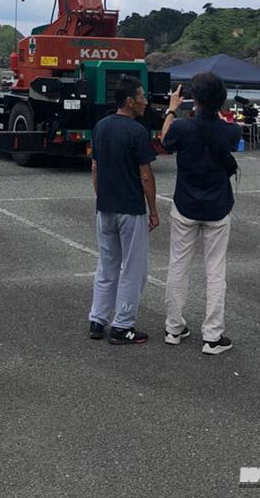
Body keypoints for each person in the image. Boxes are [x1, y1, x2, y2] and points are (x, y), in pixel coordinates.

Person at [161, 72, 242, 355]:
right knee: (215, 270)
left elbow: (165, 139)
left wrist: (172, 109)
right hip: (218, 206)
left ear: (194, 99)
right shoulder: (231, 131)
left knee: (178, 265)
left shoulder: (182, 128)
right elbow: (225, 133)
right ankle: (213, 335)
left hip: (185, 203)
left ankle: (173, 328)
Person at [88, 76, 159, 345]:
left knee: (106, 265)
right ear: (130, 101)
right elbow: (146, 175)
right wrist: (153, 209)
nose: (145, 101)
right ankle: (123, 324)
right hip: (130, 208)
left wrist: (102, 196)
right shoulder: (137, 132)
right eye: (141, 96)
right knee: (133, 268)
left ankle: (98, 319)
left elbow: (95, 168)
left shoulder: (101, 126)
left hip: (105, 207)